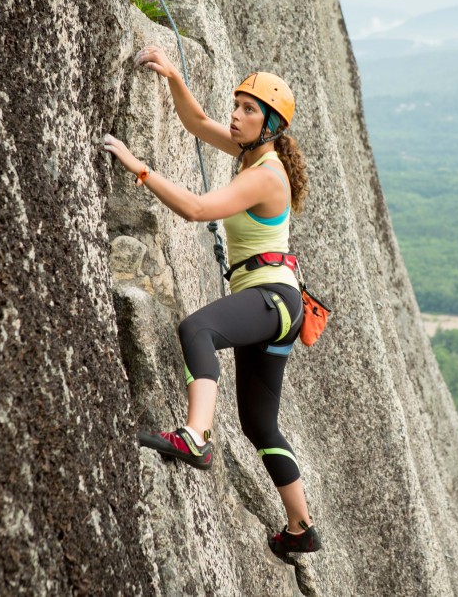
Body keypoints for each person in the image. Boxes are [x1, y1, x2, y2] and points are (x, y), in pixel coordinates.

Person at [101, 44, 321, 556]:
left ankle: (196, 435)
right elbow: (199, 123)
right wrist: (174, 75)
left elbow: (198, 209)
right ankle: (300, 526)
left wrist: (140, 168)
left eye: (250, 110)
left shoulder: (266, 174)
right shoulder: (253, 155)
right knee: (259, 424)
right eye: (238, 104)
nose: (237, 114)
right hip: (280, 304)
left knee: (196, 330)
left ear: (270, 126)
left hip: (273, 297)